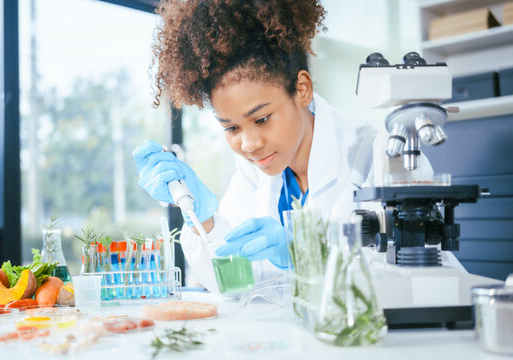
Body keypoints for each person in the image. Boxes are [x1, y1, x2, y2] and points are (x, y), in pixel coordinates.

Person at [132, 0, 428, 293]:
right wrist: (203, 222)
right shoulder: (254, 172)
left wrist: (302, 256)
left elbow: (414, 284)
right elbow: (235, 285)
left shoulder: (382, 154)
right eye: (231, 128)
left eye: (261, 119)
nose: (249, 144)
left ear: (302, 89)